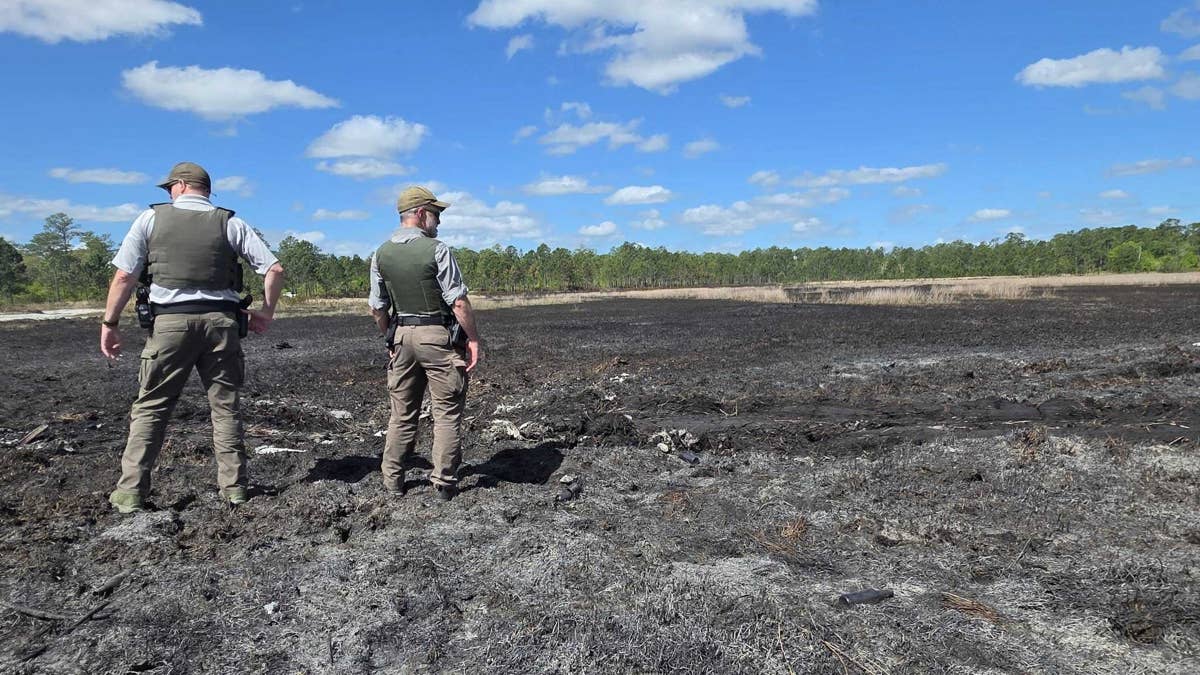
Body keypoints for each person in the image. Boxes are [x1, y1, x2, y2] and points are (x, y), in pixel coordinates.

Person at [100, 162, 284, 513]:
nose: (169, 192)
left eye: (170, 186)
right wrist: (266, 312)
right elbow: (274, 269)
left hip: (170, 325)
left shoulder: (150, 219)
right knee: (225, 407)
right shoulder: (231, 223)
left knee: (152, 407)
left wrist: (110, 322)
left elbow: (125, 276)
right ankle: (234, 489)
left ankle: (131, 492)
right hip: (221, 325)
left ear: (182, 185)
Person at [369, 186, 482, 501]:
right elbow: (458, 302)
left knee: (402, 414)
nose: (439, 221)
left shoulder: (380, 254)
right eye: (436, 214)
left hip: (402, 336)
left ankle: (392, 482)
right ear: (420, 214)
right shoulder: (438, 250)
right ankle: (443, 482)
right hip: (437, 337)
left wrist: (391, 338)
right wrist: (473, 339)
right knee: (446, 413)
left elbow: (377, 308)